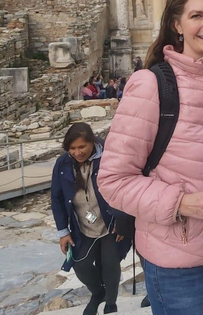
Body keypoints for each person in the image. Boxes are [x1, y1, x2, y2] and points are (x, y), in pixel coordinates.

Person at [97, 0, 203, 315]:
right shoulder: (151, 85)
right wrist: (182, 203)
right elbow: (112, 181)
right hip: (180, 264)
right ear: (177, 24)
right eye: (196, 15)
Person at [51, 123, 133, 315]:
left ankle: (111, 302)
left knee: (110, 263)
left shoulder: (109, 157)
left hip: (111, 223)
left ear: (92, 143)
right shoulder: (62, 164)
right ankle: (98, 293)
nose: (77, 152)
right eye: (72, 148)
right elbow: (56, 197)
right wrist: (63, 232)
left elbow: (125, 187)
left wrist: (123, 221)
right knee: (81, 265)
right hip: (83, 225)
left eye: (82, 147)